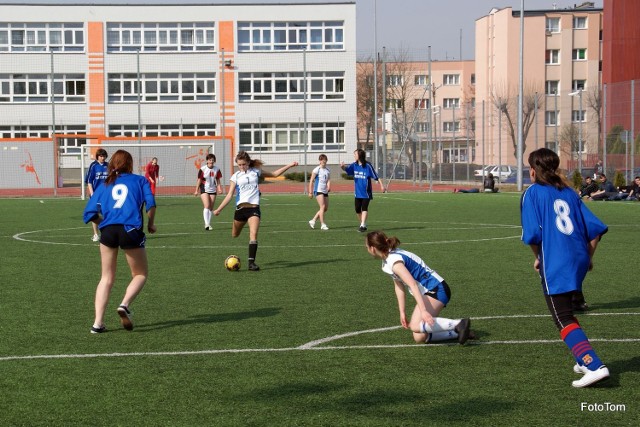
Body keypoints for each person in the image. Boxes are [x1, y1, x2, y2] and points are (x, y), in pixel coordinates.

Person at [521, 148, 609, 388]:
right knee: (567, 311)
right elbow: (596, 229)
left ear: (532, 170)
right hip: (577, 258)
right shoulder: (570, 192)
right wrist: (587, 258)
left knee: (562, 316)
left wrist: (540, 256)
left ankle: (593, 365)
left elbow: (532, 235)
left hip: (557, 261)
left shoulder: (532, 193)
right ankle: (583, 358)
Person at [83, 149, 157, 334]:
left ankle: (97, 323)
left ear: (112, 165)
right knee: (140, 274)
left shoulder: (105, 184)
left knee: (106, 278)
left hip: (108, 231)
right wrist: (151, 224)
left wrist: (105, 224)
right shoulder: (140, 180)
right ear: (130, 164)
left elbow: (89, 213)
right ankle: (124, 305)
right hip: (129, 229)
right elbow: (151, 203)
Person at [365, 230, 471, 345]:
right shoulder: (388, 260)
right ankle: (458, 333)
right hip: (431, 290)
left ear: (372, 248)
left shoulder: (394, 261)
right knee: (419, 337)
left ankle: (459, 324)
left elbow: (412, 284)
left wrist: (424, 311)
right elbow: (398, 287)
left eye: (366, 246)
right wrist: (402, 312)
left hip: (436, 288)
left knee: (416, 325)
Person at [213, 151, 298, 271]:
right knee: (235, 235)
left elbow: (274, 174)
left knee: (253, 234)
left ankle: (251, 263)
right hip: (240, 210)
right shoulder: (235, 176)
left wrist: (289, 165)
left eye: (244, 164)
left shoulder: (256, 172)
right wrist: (219, 209)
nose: (242, 167)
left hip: (254, 209)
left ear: (248, 163)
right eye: (239, 165)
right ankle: (248, 257)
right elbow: (229, 195)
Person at [341, 148, 385, 232]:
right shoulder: (354, 165)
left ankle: (362, 224)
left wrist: (382, 186)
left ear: (359, 155)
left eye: (355, 154)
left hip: (366, 192)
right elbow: (347, 170)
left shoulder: (367, 166)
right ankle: (363, 224)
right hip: (357, 192)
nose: (354, 156)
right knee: (357, 209)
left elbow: (376, 176)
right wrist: (343, 167)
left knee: (364, 208)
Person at [85, 148, 109, 242]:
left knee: (107, 213)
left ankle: (106, 233)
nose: (102, 158)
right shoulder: (93, 166)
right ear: (97, 157)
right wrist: (92, 194)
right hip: (95, 195)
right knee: (95, 214)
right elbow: (89, 181)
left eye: (104, 156)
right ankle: (96, 234)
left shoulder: (108, 166)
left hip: (106, 195)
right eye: (101, 156)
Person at [194, 153, 223, 230]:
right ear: (207, 161)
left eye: (213, 160)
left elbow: (218, 180)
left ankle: (209, 224)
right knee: (207, 205)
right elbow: (199, 180)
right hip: (204, 188)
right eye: (210, 160)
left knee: (211, 207)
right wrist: (196, 190)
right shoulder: (203, 169)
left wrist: (219, 188)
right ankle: (206, 224)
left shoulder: (217, 169)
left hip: (213, 189)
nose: (211, 161)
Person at [308, 154, 331, 230]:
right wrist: (310, 192)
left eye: (325, 159)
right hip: (318, 190)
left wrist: (329, 186)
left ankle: (313, 220)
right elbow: (311, 181)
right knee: (322, 207)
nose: (323, 161)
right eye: (322, 159)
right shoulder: (316, 170)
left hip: (325, 190)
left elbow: (328, 180)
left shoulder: (327, 170)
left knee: (325, 208)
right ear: (320, 161)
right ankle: (322, 224)